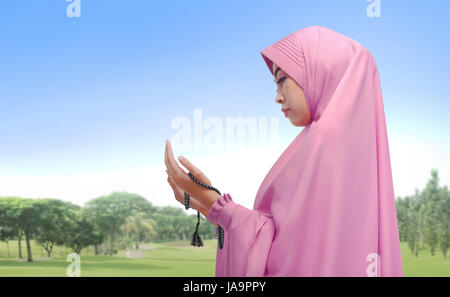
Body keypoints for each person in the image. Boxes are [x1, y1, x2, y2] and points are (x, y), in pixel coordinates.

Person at [164, 25, 403, 276]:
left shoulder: (322, 144)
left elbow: (290, 262)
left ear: (322, 71)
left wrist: (212, 202)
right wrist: (209, 204)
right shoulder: (357, 149)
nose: (277, 97)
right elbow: (307, 245)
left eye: (281, 80)